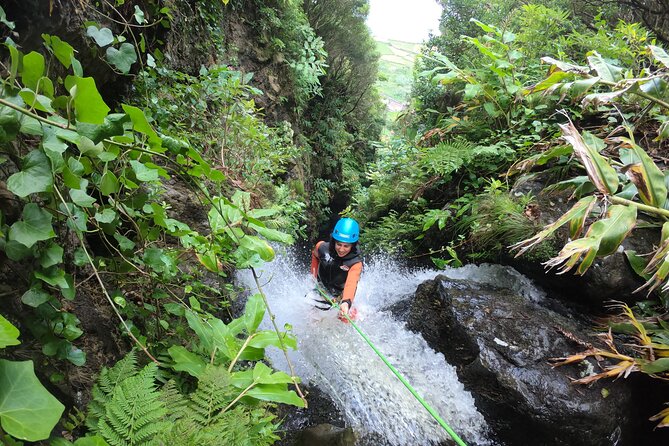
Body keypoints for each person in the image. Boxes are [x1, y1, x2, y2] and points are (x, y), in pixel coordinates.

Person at [310, 217, 363, 321]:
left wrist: (346, 302)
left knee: (345, 318)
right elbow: (315, 256)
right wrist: (313, 277)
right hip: (321, 288)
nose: (341, 249)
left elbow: (351, 284)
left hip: (340, 294)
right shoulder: (321, 247)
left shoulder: (355, 263)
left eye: (346, 246)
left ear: (352, 245)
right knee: (311, 316)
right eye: (339, 244)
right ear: (334, 241)